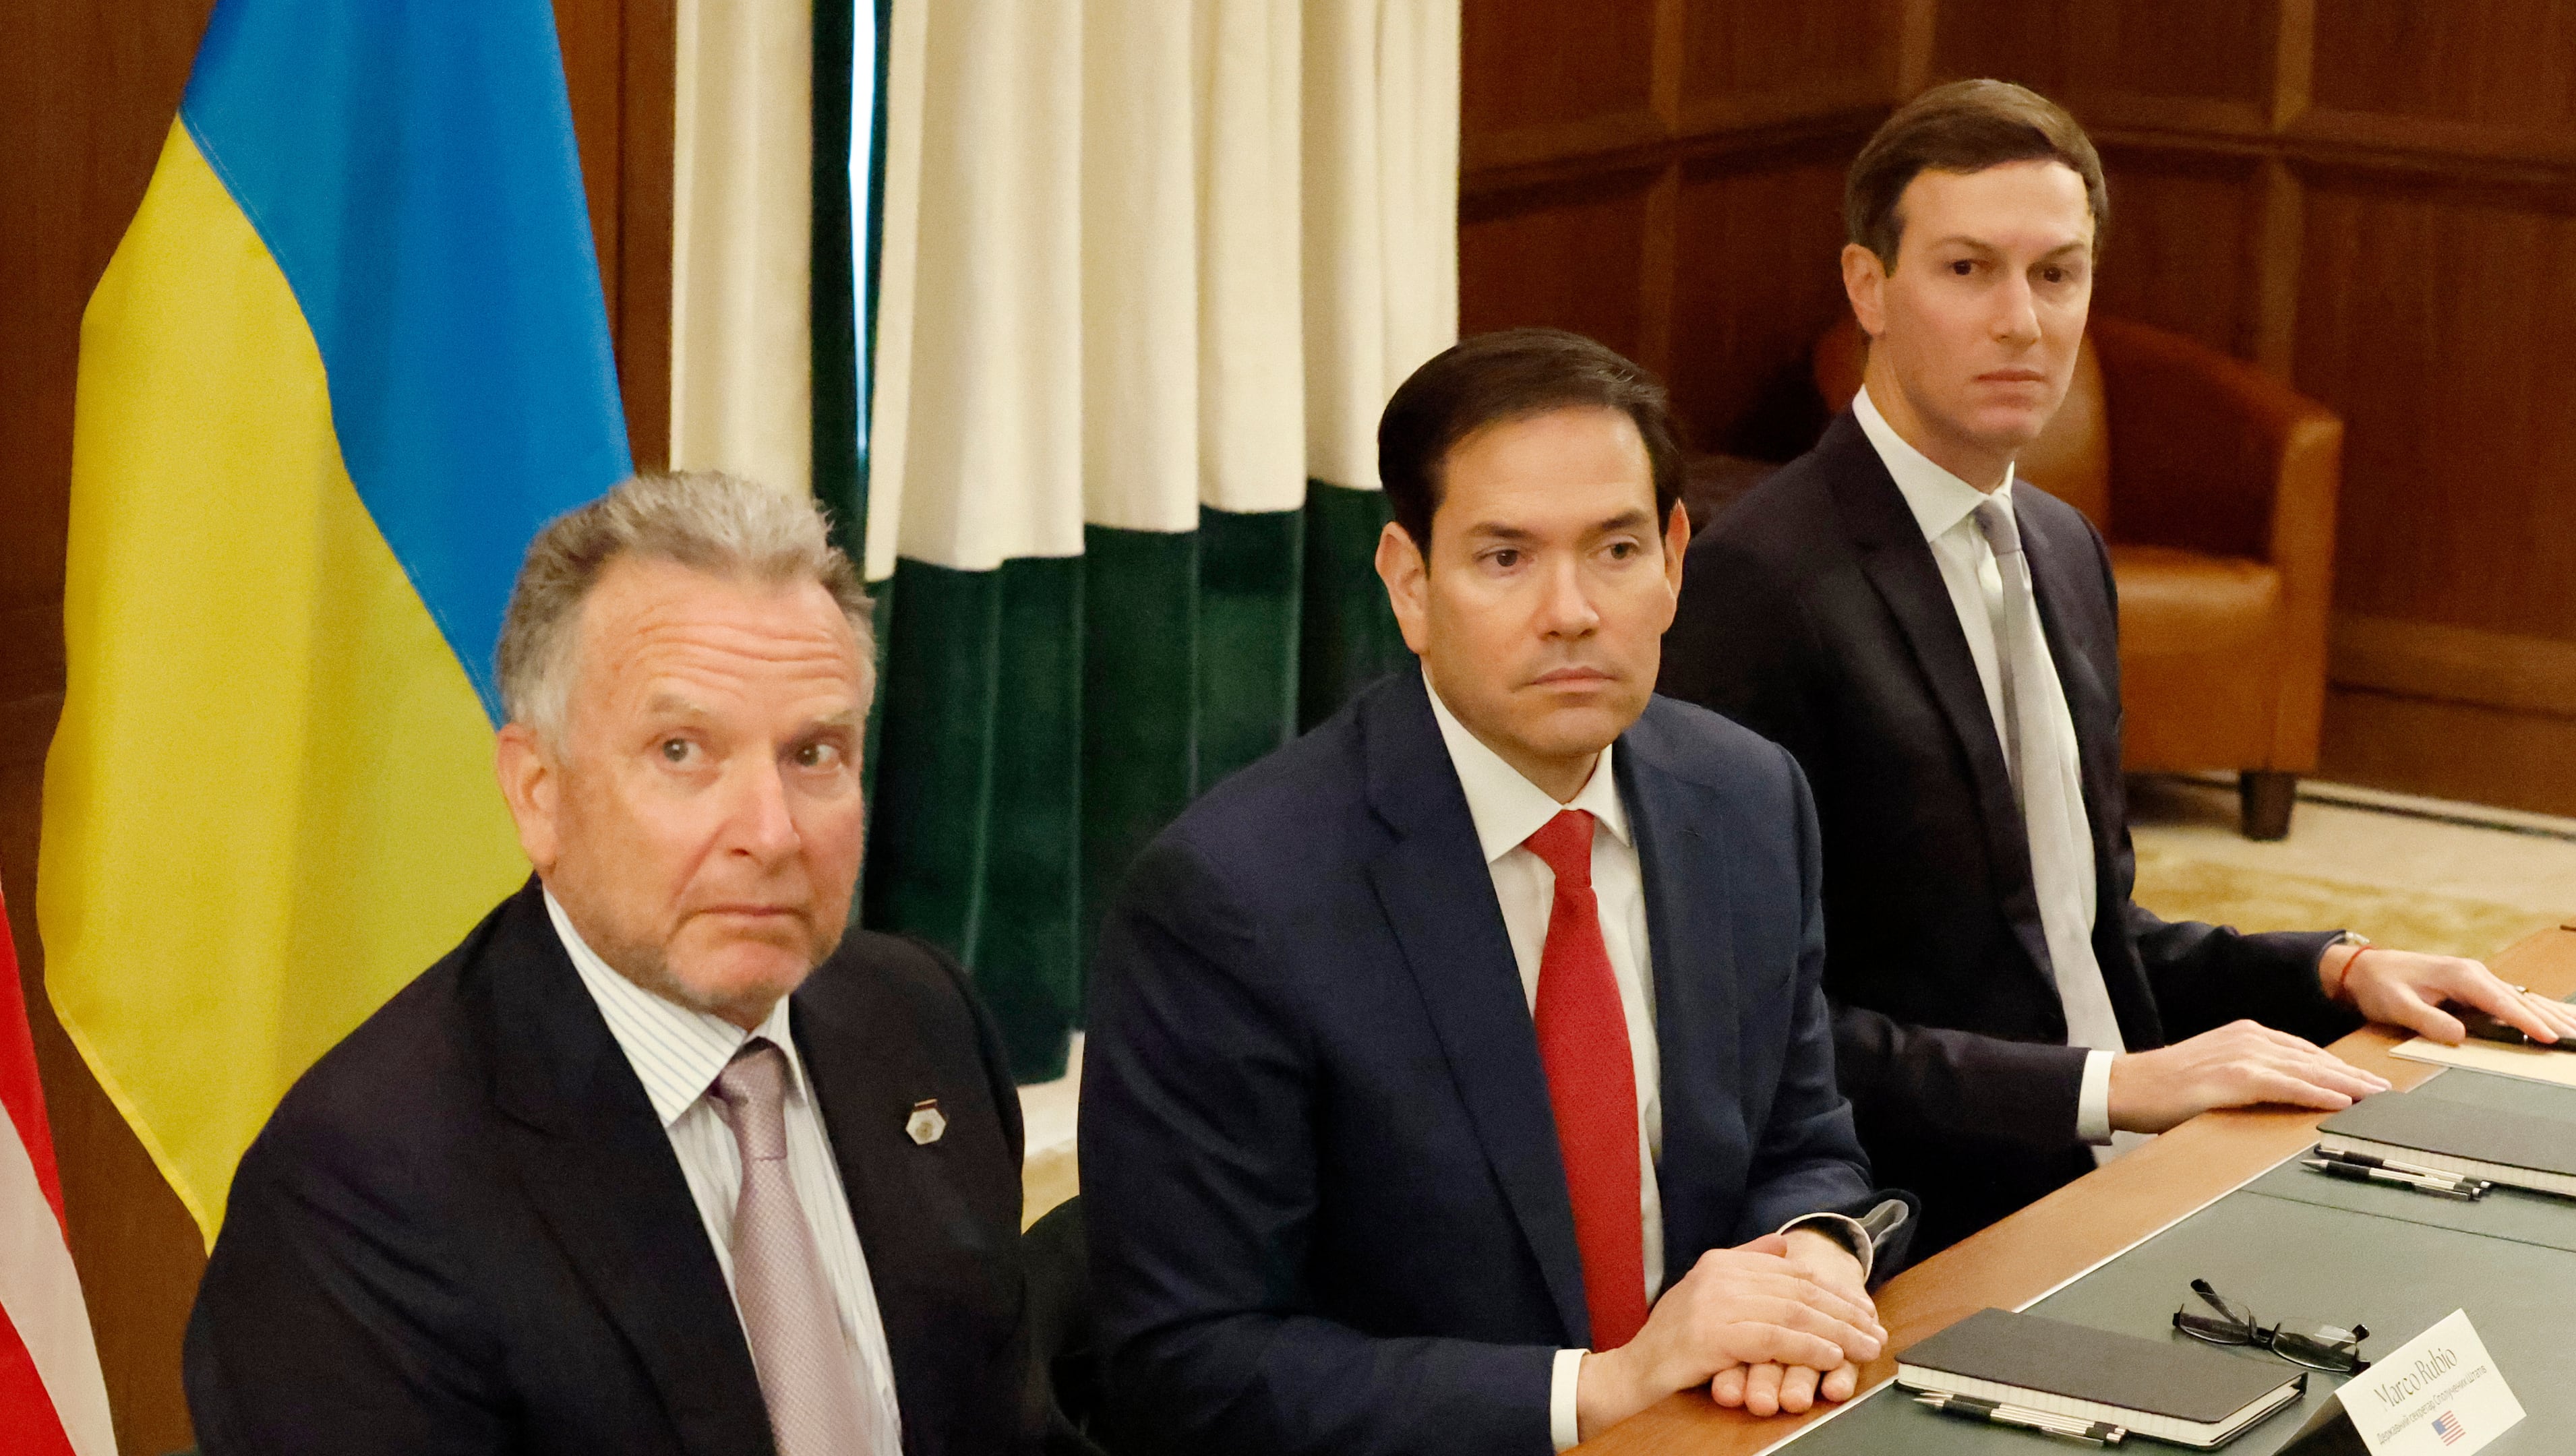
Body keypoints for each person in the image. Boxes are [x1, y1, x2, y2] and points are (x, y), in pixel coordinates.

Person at [1660, 80, 2576, 1260]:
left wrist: (2338, 966)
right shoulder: (1758, 588)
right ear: (1867, 287)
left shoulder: (2056, 544)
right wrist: (2112, 1090)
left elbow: (2072, 937)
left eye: (2057, 274)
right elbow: (1750, 1040)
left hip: (2138, 1155)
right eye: (1967, 271)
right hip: (1935, 1216)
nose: (2023, 321)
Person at [1081, 328, 1913, 1456]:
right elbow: (1189, 1366)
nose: (1571, 611)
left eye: (1616, 550)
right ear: (1410, 584)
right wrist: (1599, 1390)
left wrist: (1812, 1253)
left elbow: (1802, 1141)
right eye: (1506, 558)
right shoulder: (1234, 900)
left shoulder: (1750, 801)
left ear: (1675, 559)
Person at [185, 473, 1034, 1456]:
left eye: (814, 754)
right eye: (683, 751)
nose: (771, 832)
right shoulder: (360, 1187)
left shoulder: (920, 1022)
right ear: (539, 793)